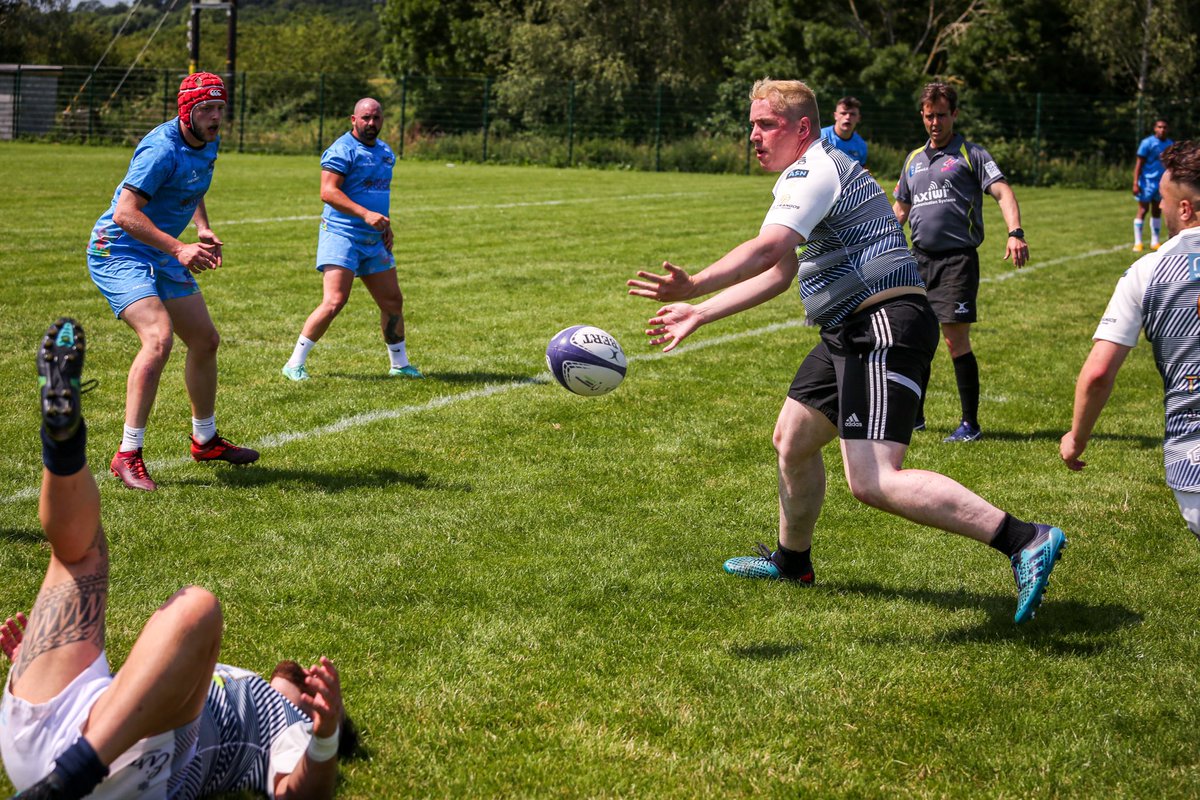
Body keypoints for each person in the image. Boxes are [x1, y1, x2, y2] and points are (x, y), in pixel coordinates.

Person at [627, 78, 1065, 624]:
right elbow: (781, 272)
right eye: (752, 125)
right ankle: (793, 562)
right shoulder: (807, 172)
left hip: (882, 324)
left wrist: (695, 286)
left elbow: (768, 249)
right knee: (792, 439)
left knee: (876, 479)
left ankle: (1025, 539)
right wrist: (701, 312)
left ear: (802, 128)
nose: (753, 136)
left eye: (765, 125)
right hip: (846, 328)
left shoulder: (816, 168)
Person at [3, 318, 353, 800]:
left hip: (134, 774)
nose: (301, 679)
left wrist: (326, 734)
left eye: (307, 691)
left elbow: (299, 793)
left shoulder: (285, 722)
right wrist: (39, 649)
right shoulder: (252, 683)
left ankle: (75, 774)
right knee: (82, 555)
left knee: (198, 607)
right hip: (59, 722)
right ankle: (64, 446)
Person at [86, 72, 258, 492]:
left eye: (220, 108)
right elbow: (126, 214)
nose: (216, 117)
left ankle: (205, 441)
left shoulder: (207, 140)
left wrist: (201, 228)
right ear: (187, 111)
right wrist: (179, 249)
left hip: (161, 250)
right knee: (158, 338)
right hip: (119, 250)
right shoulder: (160, 149)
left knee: (204, 341)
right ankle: (127, 454)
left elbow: (192, 185)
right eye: (207, 109)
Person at [1062, 141, 1200, 539]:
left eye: (1164, 202)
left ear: (1185, 209)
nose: (1162, 210)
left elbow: (1099, 372)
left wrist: (1076, 438)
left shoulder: (1146, 272)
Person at [892, 82, 1029, 443]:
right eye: (928, 116)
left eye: (940, 115)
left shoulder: (971, 154)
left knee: (955, 341)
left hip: (957, 261)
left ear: (954, 114)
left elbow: (1003, 192)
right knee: (914, 338)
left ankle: (970, 424)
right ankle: (915, 415)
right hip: (917, 261)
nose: (934, 122)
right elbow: (901, 210)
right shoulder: (912, 160)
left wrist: (1015, 232)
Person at [282, 97, 421, 382]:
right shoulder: (342, 150)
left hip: (373, 238)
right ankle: (294, 363)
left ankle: (399, 364)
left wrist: (384, 224)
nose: (371, 123)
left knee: (392, 301)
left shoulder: (385, 152)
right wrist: (366, 214)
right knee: (334, 301)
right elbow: (328, 192)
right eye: (366, 118)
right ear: (353, 119)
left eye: (377, 118)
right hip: (341, 234)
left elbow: (378, 194)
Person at [1132, 118, 1174, 253]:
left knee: (1157, 210)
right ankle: (1138, 242)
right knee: (1143, 210)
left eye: (1164, 127)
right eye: (1159, 127)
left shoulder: (1169, 144)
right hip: (1147, 183)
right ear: (1155, 128)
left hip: (1161, 183)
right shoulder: (1147, 143)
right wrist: (1135, 183)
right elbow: (1139, 164)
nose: (1162, 130)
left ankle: (1155, 241)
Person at [819, 96, 868, 169]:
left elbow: (861, 173)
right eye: (843, 113)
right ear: (835, 116)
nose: (848, 117)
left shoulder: (861, 145)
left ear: (858, 118)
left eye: (852, 114)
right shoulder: (820, 137)